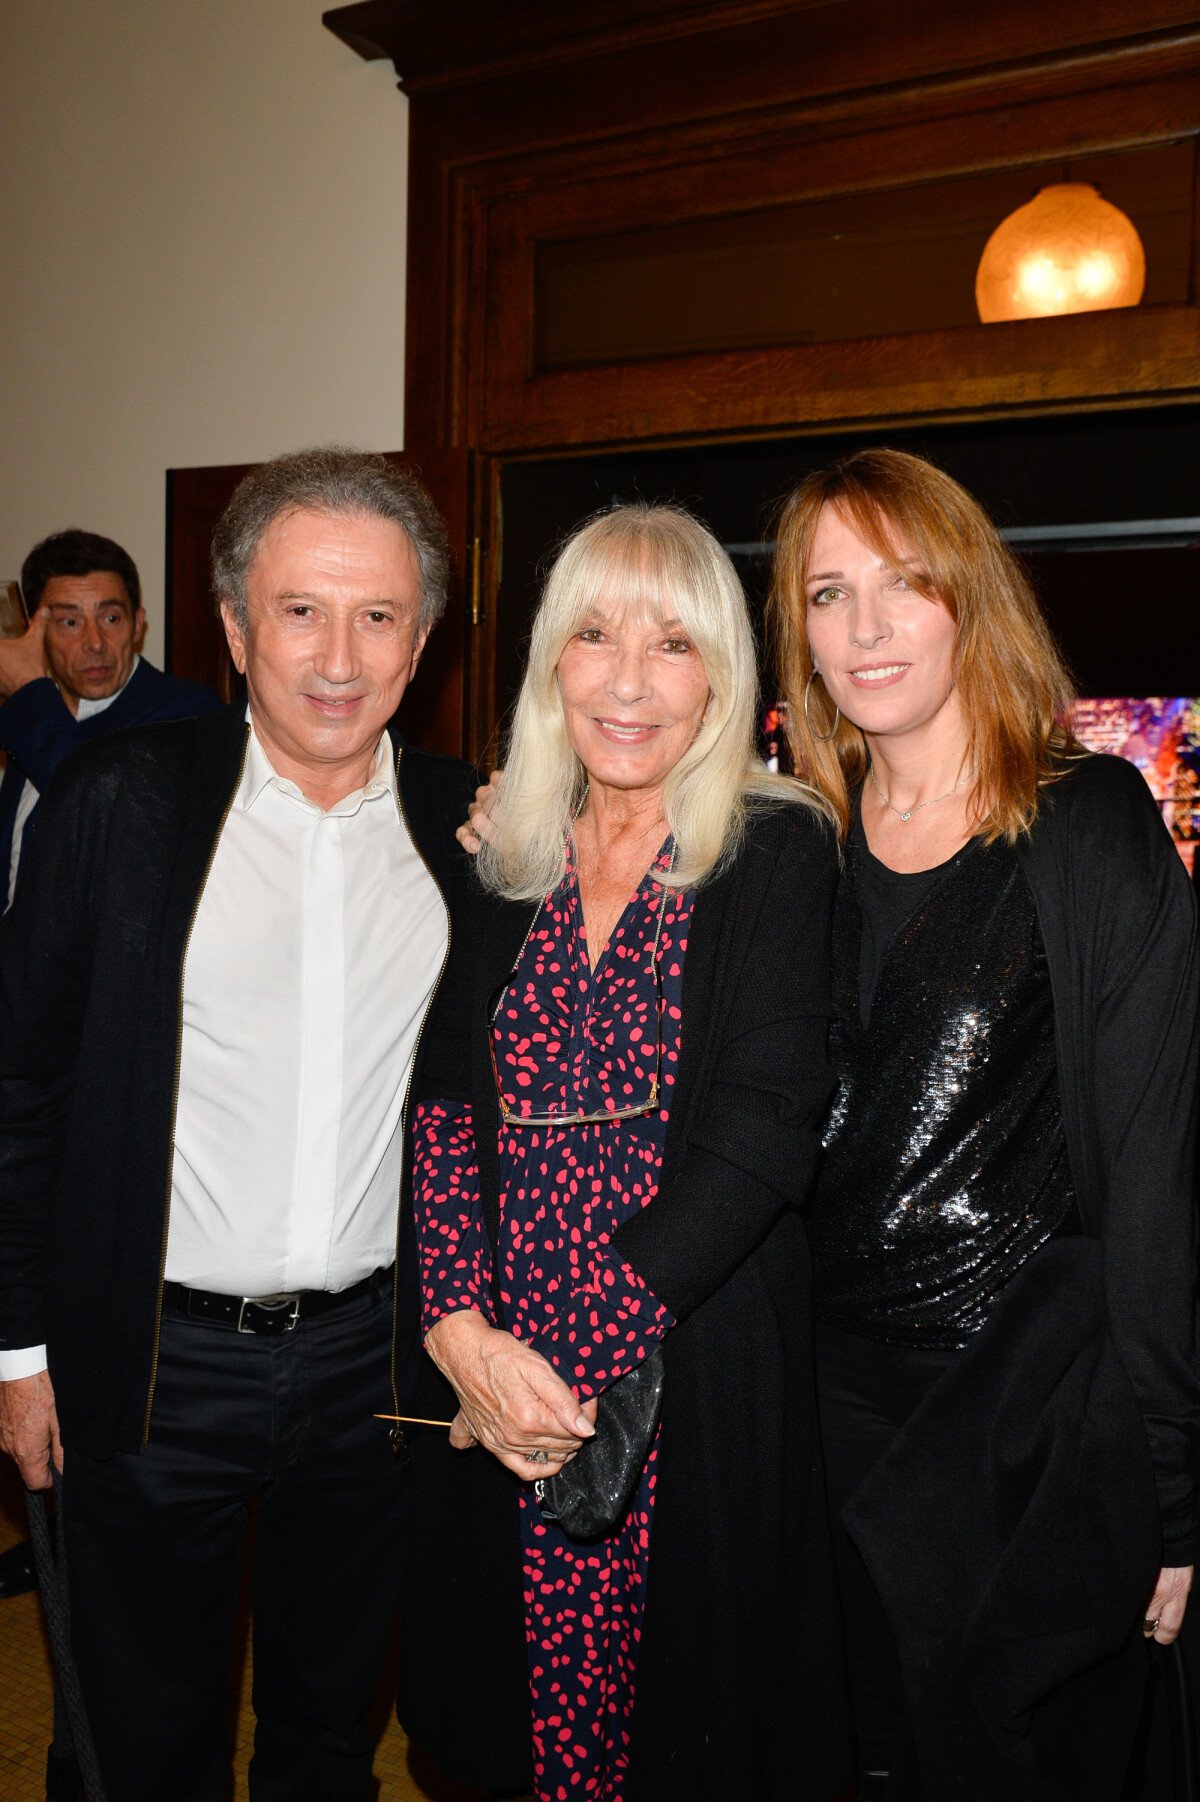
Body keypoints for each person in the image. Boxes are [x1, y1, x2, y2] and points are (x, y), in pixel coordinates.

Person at [0, 448, 477, 1802]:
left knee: (331, 1731)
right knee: (143, 1737)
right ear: (229, 627)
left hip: (376, 1373)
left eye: (378, 615)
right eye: (299, 610)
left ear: (422, 636)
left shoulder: (473, 830)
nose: (339, 655)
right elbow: (18, 1087)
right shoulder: (119, 806)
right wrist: (17, 1346)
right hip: (152, 1366)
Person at [397, 503, 850, 1802]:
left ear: (721, 673)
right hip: (499, 1352)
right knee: (506, 1717)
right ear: (552, 661)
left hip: (682, 1349)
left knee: (683, 1727)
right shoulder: (502, 856)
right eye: (593, 634)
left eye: (673, 641)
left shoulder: (776, 847)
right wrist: (461, 1337)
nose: (630, 678)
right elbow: (438, 1111)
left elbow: (767, 1130)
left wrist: (565, 1364)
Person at [767, 447, 1199, 1801]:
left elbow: (1159, 1172)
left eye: (904, 584)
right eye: (830, 594)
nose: (868, 626)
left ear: (970, 599)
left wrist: (1176, 1489)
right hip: (813, 1415)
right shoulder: (788, 844)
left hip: (1024, 1428)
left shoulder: (1089, 825)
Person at [0, 527, 221, 907]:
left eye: (111, 618)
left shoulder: (188, 713)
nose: (95, 643)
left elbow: (107, 816)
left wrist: (26, 692)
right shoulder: (33, 714)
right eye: (70, 622)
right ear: (33, 633)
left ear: (137, 623)